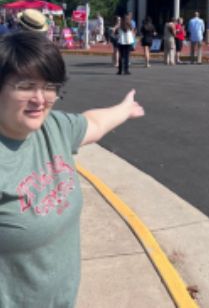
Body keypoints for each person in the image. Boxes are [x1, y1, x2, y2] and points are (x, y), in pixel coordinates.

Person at [0, 31, 144, 306]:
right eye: (26, 86)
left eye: (50, 86)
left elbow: (94, 123)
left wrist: (124, 109)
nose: (40, 99)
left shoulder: (53, 127)